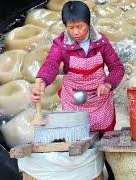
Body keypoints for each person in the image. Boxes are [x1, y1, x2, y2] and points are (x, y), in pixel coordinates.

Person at [30, 1, 124, 179]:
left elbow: (117, 68)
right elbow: (51, 64)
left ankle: (111, 174)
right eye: (71, 27)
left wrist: (108, 84)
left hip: (100, 102)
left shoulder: (101, 42)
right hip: (74, 101)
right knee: (77, 143)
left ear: (88, 23)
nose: (76, 32)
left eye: (80, 27)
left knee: (106, 146)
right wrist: (41, 81)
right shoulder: (61, 45)